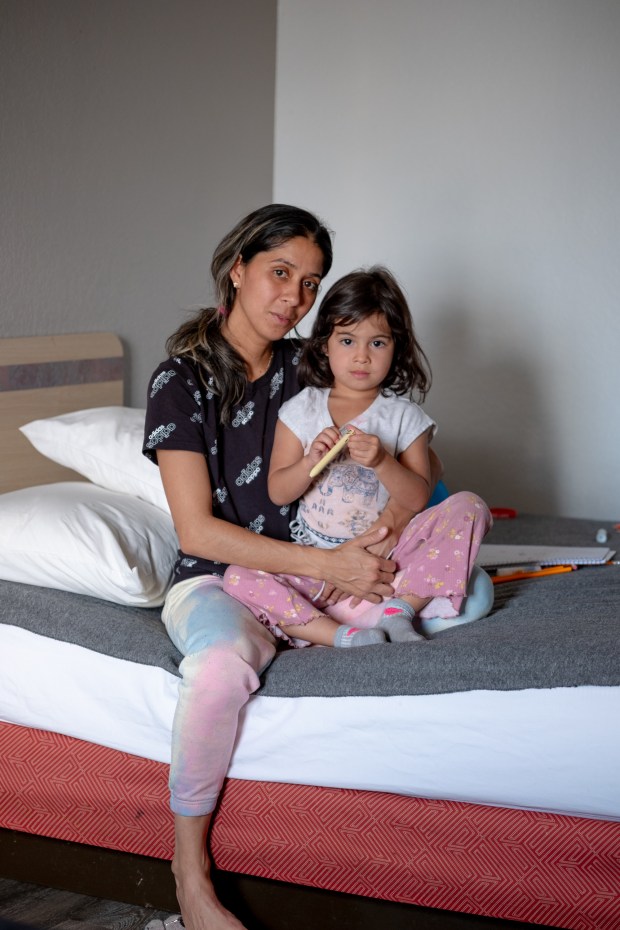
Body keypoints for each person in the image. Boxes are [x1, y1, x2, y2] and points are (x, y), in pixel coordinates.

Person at [143, 205, 438, 930]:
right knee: (219, 666)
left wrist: (377, 542)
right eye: (281, 274)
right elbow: (196, 528)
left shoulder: (311, 366)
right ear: (237, 268)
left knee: (463, 589)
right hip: (218, 578)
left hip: (329, 568)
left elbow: (411, 475)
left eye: (310, 285)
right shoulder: (180, 381)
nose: (295, 299)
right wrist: (328, 564)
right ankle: (190, 876)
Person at [223, 267, 493, 648]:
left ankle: (401, 611)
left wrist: (384, 461)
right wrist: (307, 463)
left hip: (390, 562)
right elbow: (279, 492)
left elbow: (417, 498)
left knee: (470, 506)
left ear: (396, 348)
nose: (362, 357)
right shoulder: (301, 412)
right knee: (237, 576)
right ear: (323, 346)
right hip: (319, 564)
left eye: (378, 343)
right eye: (347, 341)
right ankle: (343, 635)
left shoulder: (404, 417)